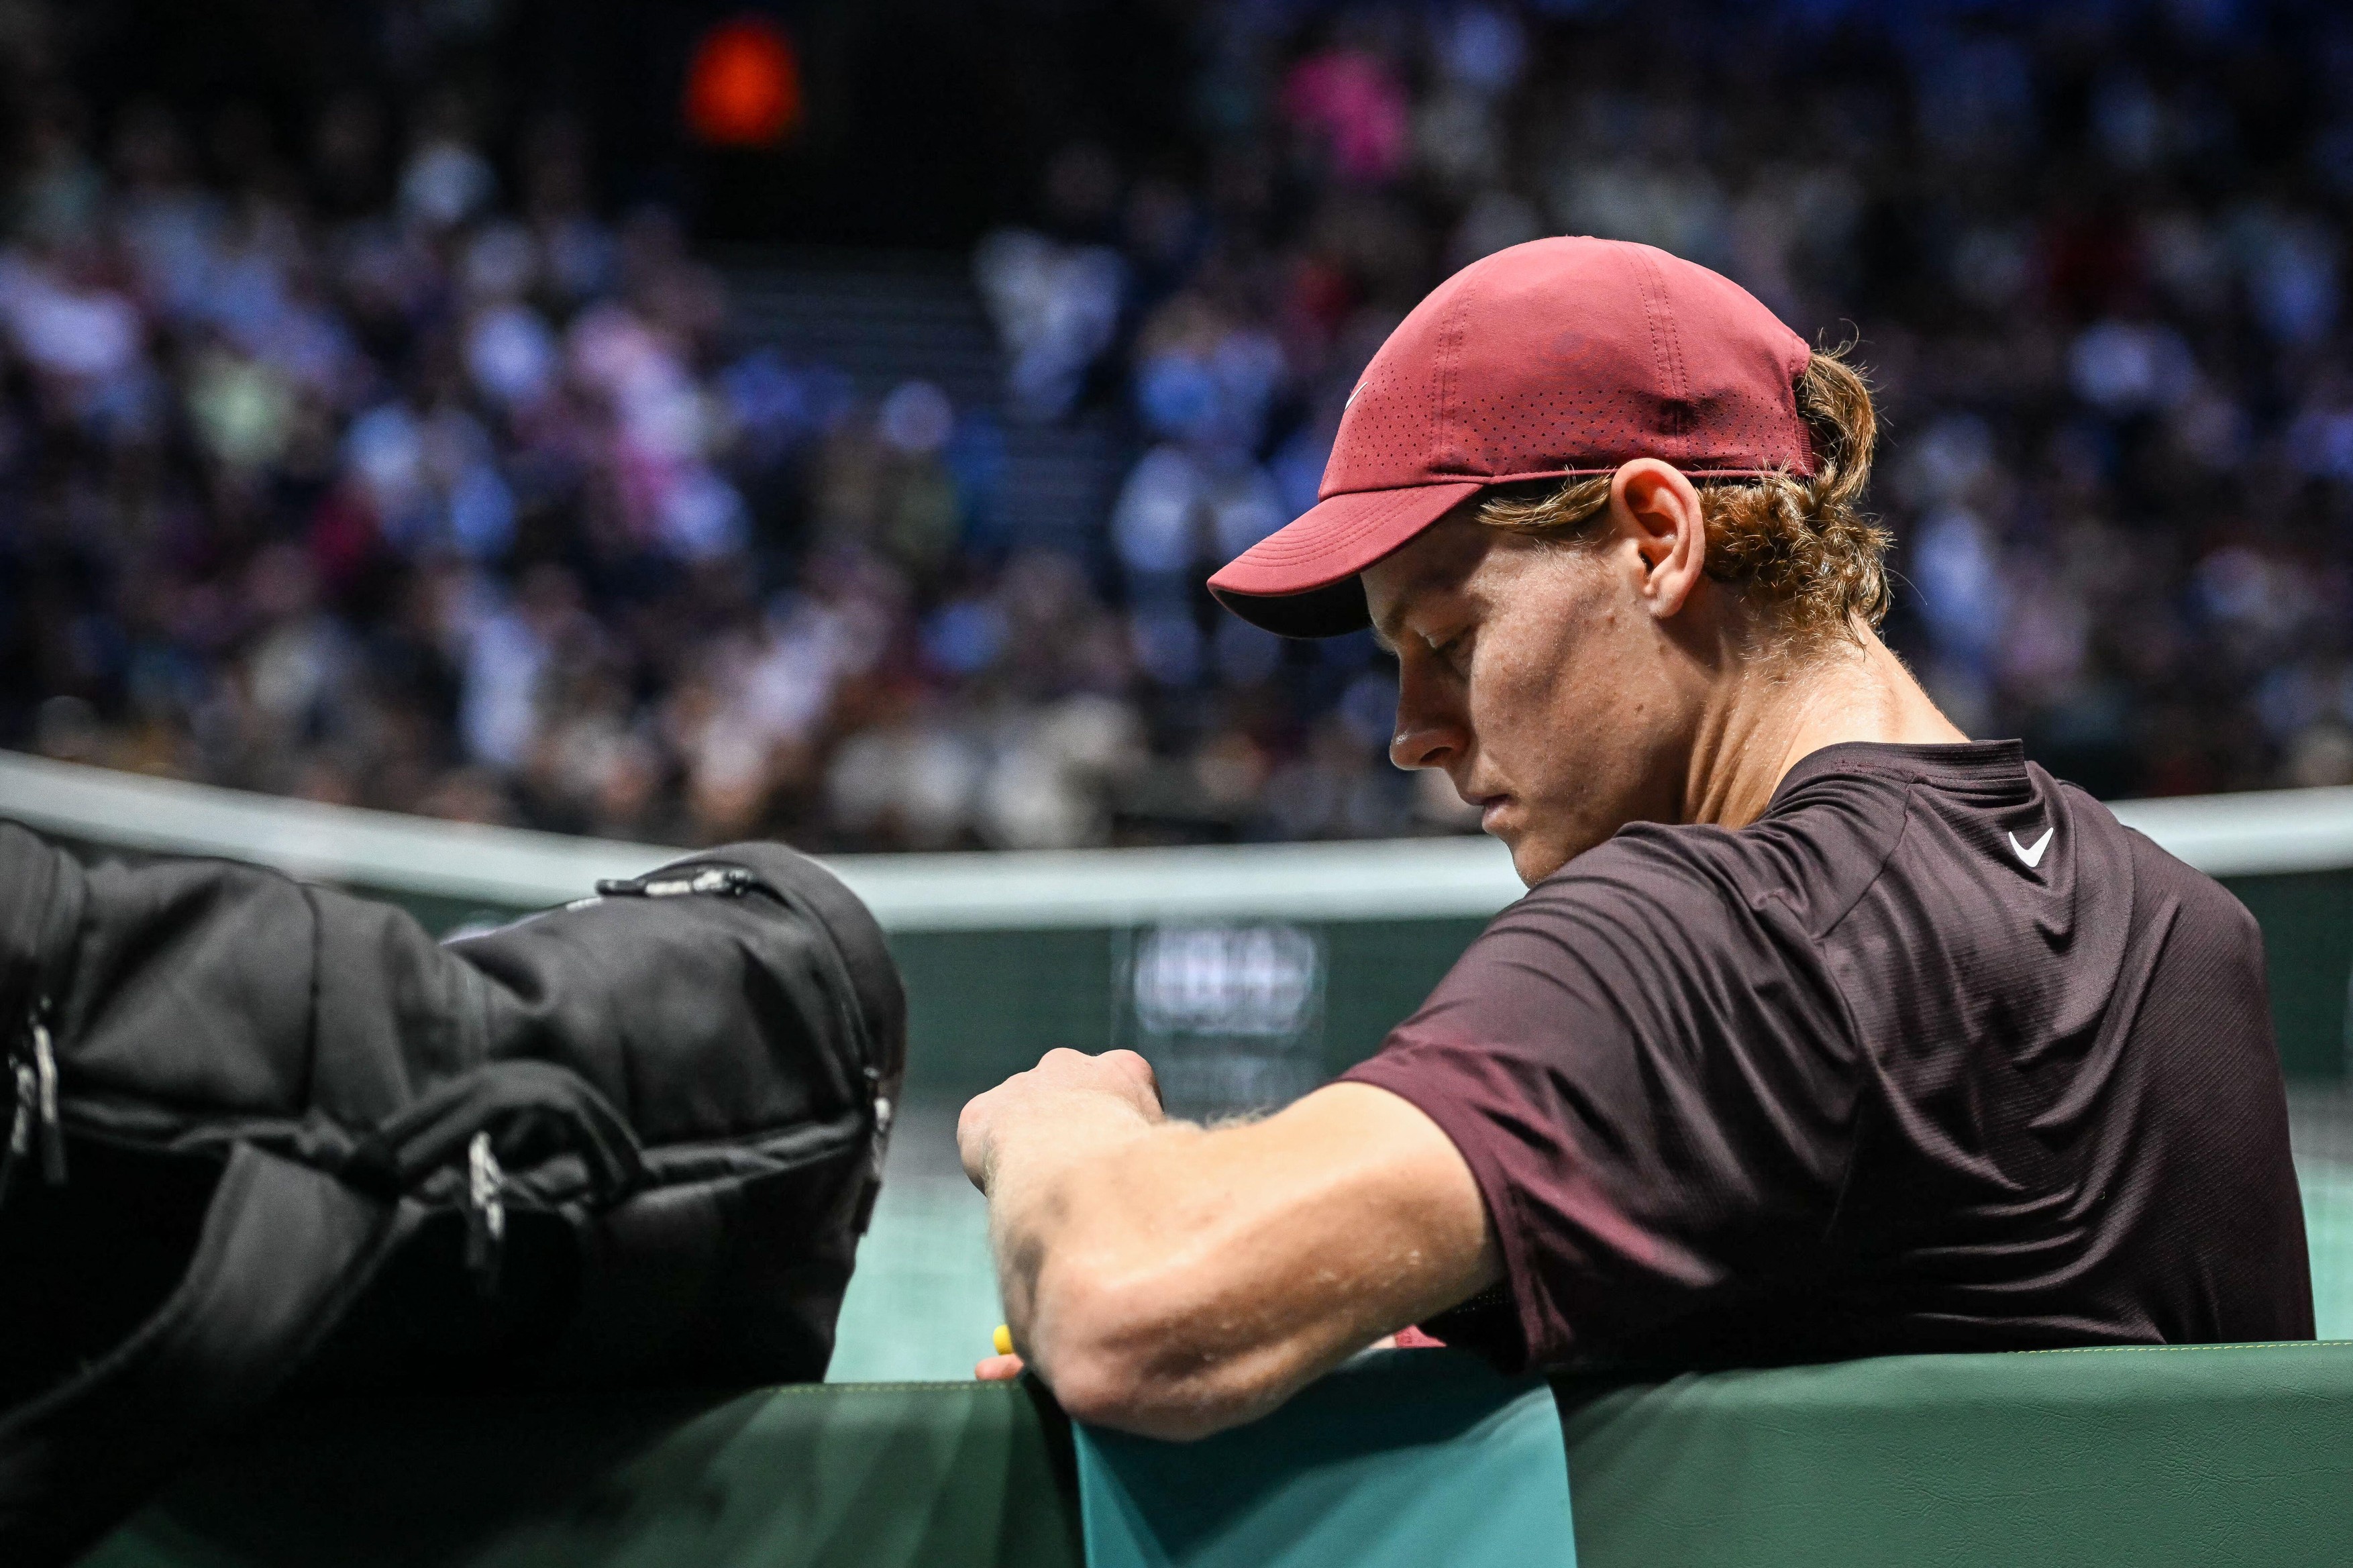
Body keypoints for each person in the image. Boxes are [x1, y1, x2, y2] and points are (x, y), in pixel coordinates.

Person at [957, 238, 2313, 1441]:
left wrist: (1063, 1129)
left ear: (1655, 535)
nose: (1409, 730)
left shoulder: (1712, 936)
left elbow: (1129, 1297)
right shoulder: (2188, 931)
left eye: (1446, 641)